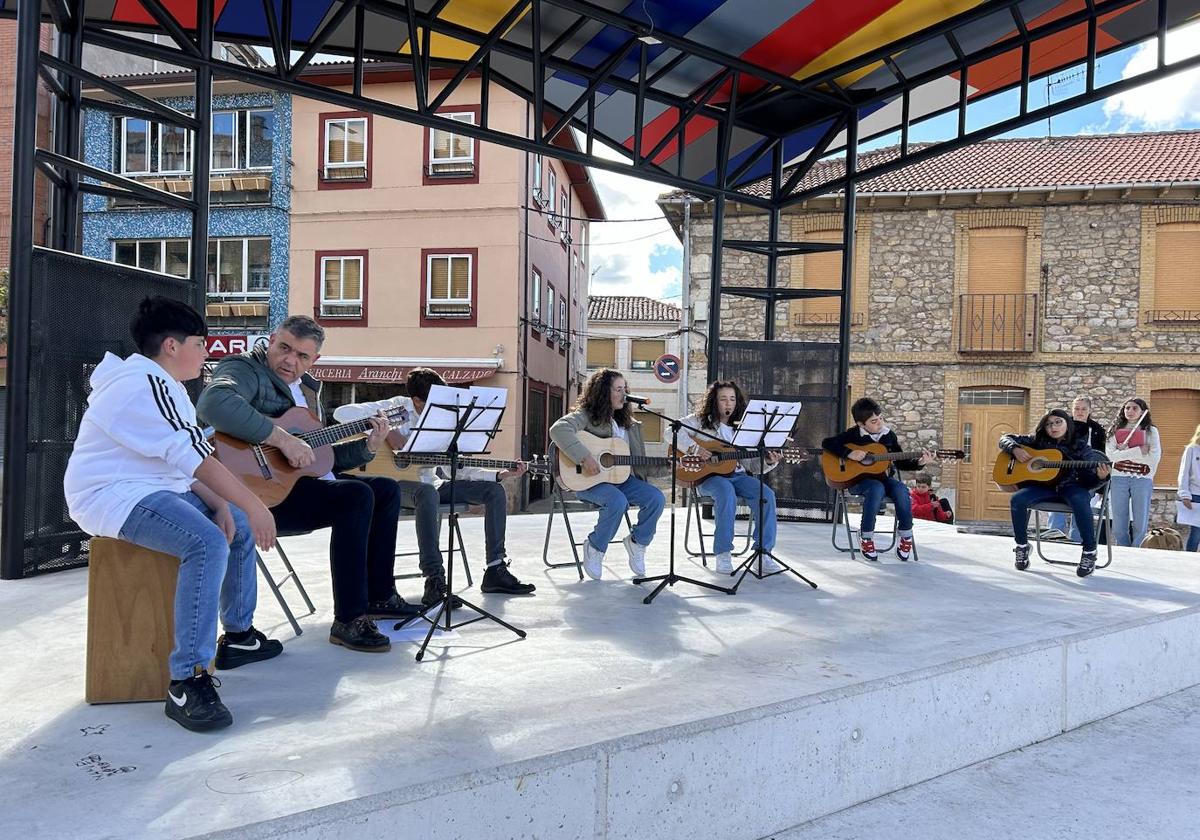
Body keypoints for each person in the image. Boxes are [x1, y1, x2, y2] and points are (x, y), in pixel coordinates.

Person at [64, 297, 281, 732]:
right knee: (206, 541)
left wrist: (227, 505)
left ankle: (238, 636)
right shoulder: (144, 384)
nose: (207, 355)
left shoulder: (166, 386)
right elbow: (198, 461)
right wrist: (256, 505)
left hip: (156, 488)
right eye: (201, 345)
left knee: (232, 525)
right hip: (112, 495)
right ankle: (188, 680)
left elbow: (182, 463)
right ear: (171, 345)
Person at [197, 315, 415, 655]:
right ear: (270, 341)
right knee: (355, 495)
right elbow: (214, 404)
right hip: (257, 493)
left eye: (302, 356)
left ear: (315, 360)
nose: (290, 361)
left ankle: (379, 596)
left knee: (386, 489)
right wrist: (282, 440)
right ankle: (349, 618)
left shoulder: (311, 388)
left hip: (299, 487)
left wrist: (369, 445)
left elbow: (321, 457)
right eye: (285, 348)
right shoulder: (244, 368)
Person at [333, 367, 537, 602]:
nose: (438, 408)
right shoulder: (398, 406)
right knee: (427, 492)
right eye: (432, 402)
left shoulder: (444, 417)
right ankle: (434, 579)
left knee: (493, 491)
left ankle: (495, 569)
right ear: (416, 400)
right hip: (394, 485)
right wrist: (387, 429)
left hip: (432, 484)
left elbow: (452, 467)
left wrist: (498, 474)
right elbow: (342, 413)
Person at [548, 368, 666, 580]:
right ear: (603, 392)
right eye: (618, 389)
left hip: (624, 480)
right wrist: (584, 457)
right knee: (617, 502)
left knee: (656, 498)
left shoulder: (631, 426)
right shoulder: (586, 416)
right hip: (588, 481)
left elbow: (638, 464)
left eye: (625, 389)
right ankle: (595, 547)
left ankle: (638, 542)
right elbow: (558, 429)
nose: (624, 394)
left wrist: (673, 464)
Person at [676, 380, 782, 573]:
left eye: (732, 399)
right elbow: (670, 432)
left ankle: (763, 553)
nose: (728, 404)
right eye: (723, 399)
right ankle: (723, 553)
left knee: (766, 495)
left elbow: (753, 466)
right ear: (713, 401)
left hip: (738, 476)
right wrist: (695, 448)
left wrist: (768, 460)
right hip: (708, 477)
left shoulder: (745, 428)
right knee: (726, 491)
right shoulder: (700, 421)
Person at [999, 409, 1110, 577]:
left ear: (1067, 423)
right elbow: (1004, 438)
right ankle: (1022, 546)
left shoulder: (1081, 447)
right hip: (1043, 487)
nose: (1053, 427)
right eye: (1049, 424)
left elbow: (1089, 482)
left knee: (1081, 499)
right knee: (1017, 499)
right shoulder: (1038, 441)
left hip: (1071, 487)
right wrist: (1014, 449)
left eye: (1058, 422)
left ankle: (1089, 551)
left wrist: (1101, 478)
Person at [821, 397, 934, 561]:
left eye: (881, 418)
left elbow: (902, 462)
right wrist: (850, 453)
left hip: (882, 479)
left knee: (901, 490)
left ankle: (905, 535)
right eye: (874, 421)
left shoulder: (888, 436)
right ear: (861, 424)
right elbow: (827, 443)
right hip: (857, 481)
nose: (879, 423)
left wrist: (920, 462)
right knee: (876, 488)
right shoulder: (853, 435)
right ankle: (866, 536)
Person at [1044, 396, 1106, 541]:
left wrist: (1102, 489)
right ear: (1072, 409)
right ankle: (1053, 540)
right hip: (1062, 476)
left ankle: (1077, 543)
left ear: (1090, 410)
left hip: (1087, 478)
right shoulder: (1062, 426)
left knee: (1081, 510)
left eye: (1083, 409)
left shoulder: (1097, 430)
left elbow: (1102, 458)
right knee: (1055, 510)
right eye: (1077, 408)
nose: (1080, 412)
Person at [1105, 397, 1161, 547]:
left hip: (1142, 477)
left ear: (1142, 411)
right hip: (1118, 477)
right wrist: (1138, 451)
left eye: (1134, 408)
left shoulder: (1151, 431)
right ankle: (1122, 549)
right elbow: (1110, 456)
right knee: (1118, 520)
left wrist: (1123, 453)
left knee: (1140, 520)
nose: (1130, 411)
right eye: (1127, 408)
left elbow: (1153, 458)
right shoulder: (1114, 430)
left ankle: (1138, 549)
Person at [1177, 424, 1200, 553]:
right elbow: (1184, 472)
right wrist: (1185, 494)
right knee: (1196, 533)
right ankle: (1189, 558)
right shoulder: (1192, 449)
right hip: (1196, 495)